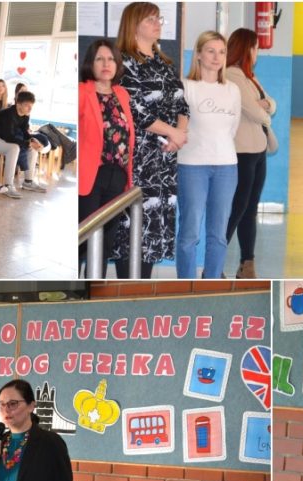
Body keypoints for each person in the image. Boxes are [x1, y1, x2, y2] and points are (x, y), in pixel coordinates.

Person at [114, 2, 190, 279]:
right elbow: (133, 110)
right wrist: (171, 132)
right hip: (139, 161)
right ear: (134, 26)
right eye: (151, 19)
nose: (158, 23)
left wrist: (179, 135)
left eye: (159, 19)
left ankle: (142, 286)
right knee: (133, 231)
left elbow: (183, 104)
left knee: (154, 235)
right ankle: (128, 289)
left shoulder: (163, 62)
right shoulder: (123, 62)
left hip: (166, 160)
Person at [177, 31, 241, 279]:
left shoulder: (232, 90)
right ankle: (186, 284)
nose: (217, 57)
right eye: (211, 51)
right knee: (190, 233)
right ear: (200, 55)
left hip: (226, 168)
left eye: (222, 52)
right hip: (192, 166)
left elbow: (232, 128)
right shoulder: (186, 87)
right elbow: (181, 127)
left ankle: (211, 282)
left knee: (218, 234)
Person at [78, 39, 134, 278]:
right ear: (91, 63)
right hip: (93, 175)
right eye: (100, 58)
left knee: (106, 242)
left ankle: (95, 287)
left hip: (118, 175)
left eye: (110, 58)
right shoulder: (82, 92)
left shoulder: (122, 94)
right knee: (87, 239)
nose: (106, 64)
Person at [224, 28, 276, 279]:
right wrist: (262, 109)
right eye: (255, 48)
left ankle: (247, 263)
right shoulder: (232, 76)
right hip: (242, 152)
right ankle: (215, 262)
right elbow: (256, 112)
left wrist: (264, 106)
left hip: (258, 150)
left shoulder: (249, 77)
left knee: (250, 208)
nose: (257, 53)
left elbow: (271, 102)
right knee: (237, 207)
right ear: (247, 49)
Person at [0, 91, 43, 198]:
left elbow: (24, 132)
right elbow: (8, 137)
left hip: (1, 138)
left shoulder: (25, 115)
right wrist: (27, 143)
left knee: (32, 149)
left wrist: (32, 140)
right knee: (14, 148)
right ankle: (8, 185)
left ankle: (28, 181)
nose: (30, 109)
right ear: (18, 104)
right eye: (27, 106)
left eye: (31, 106)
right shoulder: (8, 115)